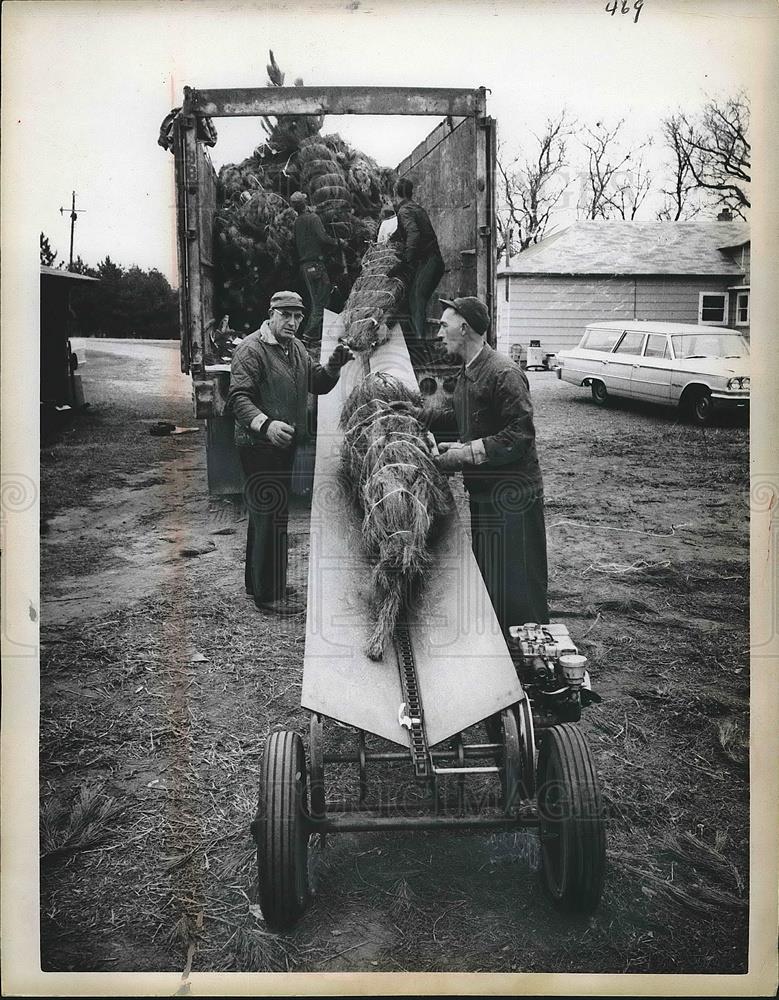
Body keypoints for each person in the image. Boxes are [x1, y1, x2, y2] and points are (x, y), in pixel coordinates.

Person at [228, 290, 353, 615]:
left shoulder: (295, 348)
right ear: (272, 314)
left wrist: (334, 366)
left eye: (298, 316)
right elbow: (238, 398)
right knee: (270, 515)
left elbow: (317, 382)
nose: (293, 322)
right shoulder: (251, 349)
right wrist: (265, 424)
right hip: (258, 445)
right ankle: (270, 596)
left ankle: (259, 584)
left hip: (282, 445)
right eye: (286, 315)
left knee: (268, 515)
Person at [429, 296, 549, 634]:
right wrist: (421, 416)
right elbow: (465, 419)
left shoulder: (503, 372)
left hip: (512, 497)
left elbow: (519, 434)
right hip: (485, 494)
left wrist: (464, 455)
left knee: (519, 581)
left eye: (444, 325)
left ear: (464, 328)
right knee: (493, 578)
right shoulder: (469, 372)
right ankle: (504, 653)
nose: (439, 333)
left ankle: (533, 661)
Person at [389, 178, 445, 339]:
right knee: (415, 299)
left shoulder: (404, 211)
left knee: (416, 298)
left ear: (396, 193)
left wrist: (406, 260)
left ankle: (419, 344)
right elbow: (402, 232)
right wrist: (388, 243)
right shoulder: (415, 208)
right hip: (433, 261)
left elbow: (413, 233)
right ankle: (417, 342)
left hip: (429, 261)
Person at [290, 190, 343, 345]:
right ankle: (307, 336)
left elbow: (295, 243)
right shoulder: (313, 218)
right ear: (305, 204)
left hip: (305, 267)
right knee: (321, 302)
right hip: (316, 265)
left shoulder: (297, 222)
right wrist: (338, 242)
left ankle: (314, 336)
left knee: (316, 301)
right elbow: (323, 238)